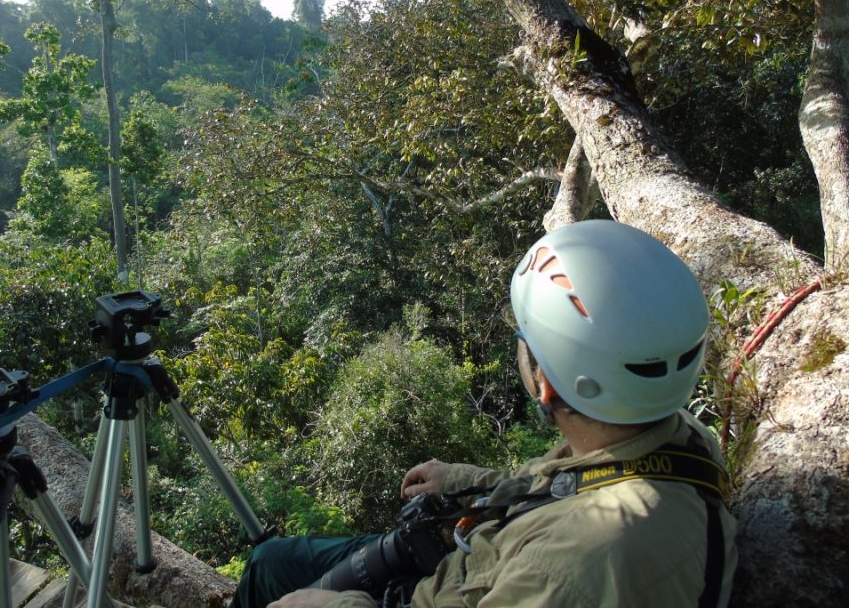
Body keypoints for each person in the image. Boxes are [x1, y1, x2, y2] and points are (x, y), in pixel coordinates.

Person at [233, 220, 737, 608]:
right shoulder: (669, 436)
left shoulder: (571, 568)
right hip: (473, 558)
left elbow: (565, 547)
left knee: (269, 578)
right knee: (270, 561)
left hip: (449, 584)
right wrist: (468, 480)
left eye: (524, 340)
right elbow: (572, 486)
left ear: (546, 382)